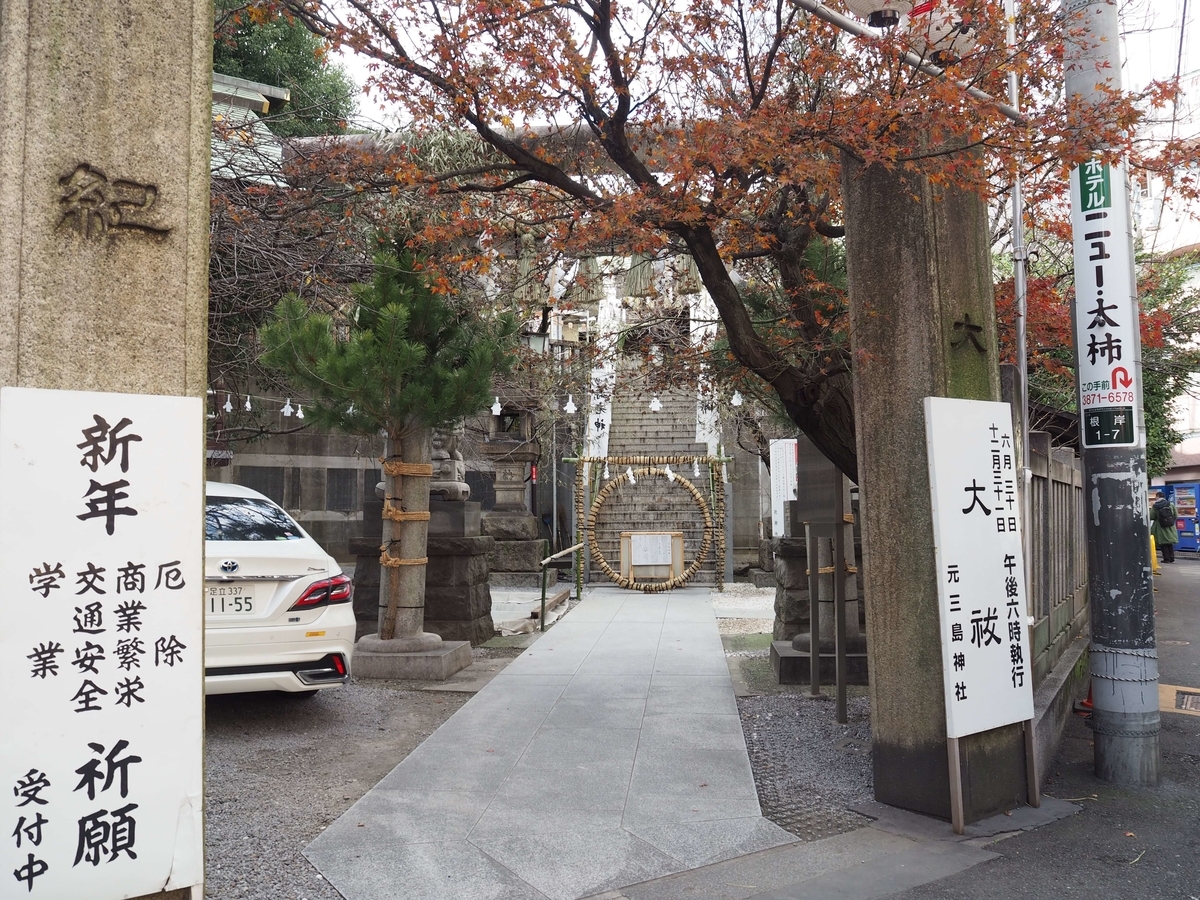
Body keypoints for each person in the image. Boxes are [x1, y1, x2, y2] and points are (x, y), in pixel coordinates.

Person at [1151, 490, 1179, 563]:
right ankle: (1171, 557)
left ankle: (1166, 558)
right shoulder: (1171, 504)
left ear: (1157, 497)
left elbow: (1152, 516)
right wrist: (1171, 520)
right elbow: (1176, 515)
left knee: (1163, 543)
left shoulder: (1155, 506)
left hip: (1160, 526)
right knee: (1170, 542)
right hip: (1170, 525)